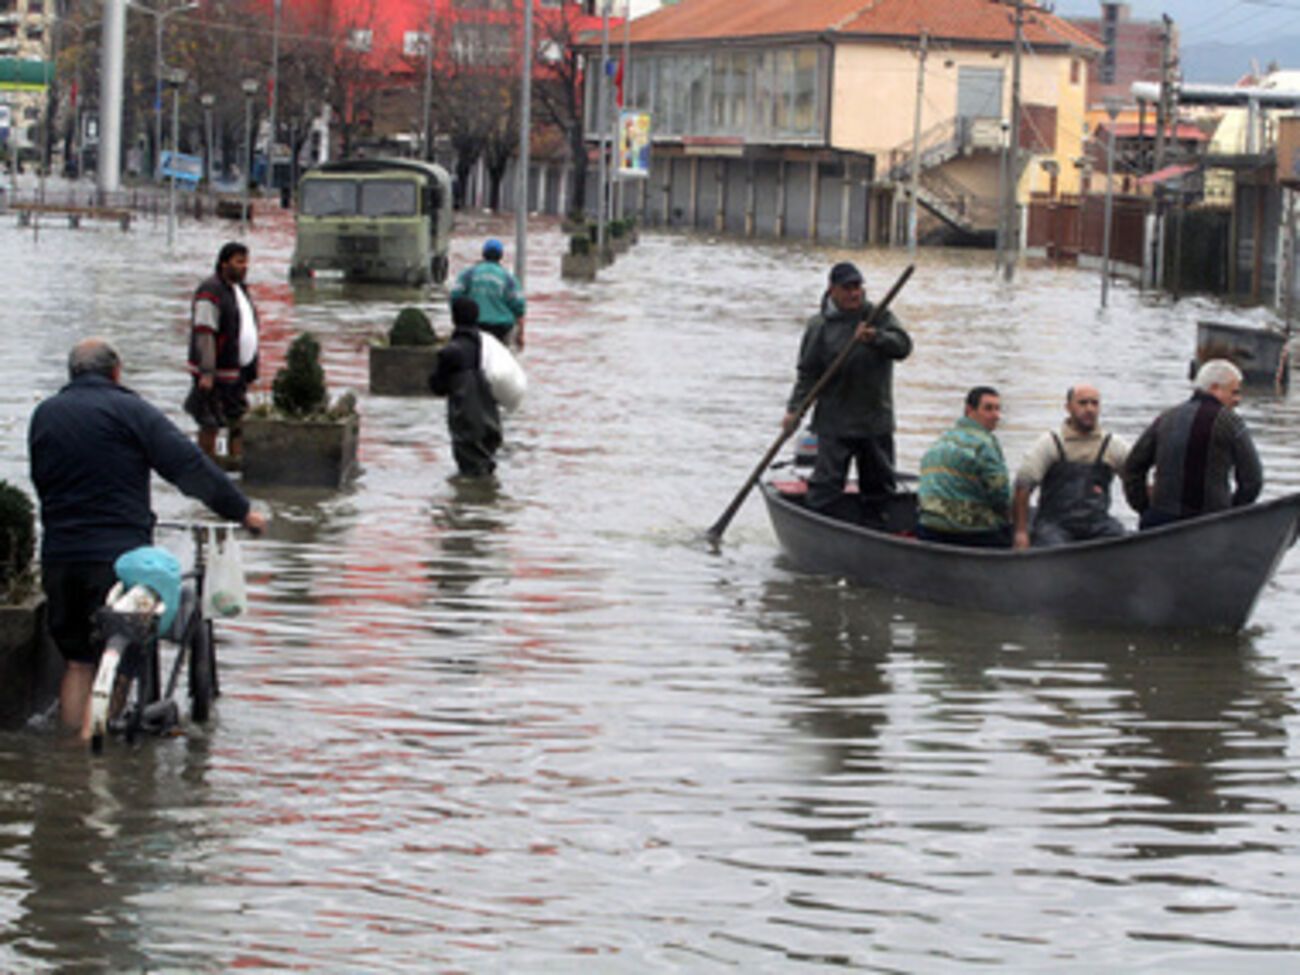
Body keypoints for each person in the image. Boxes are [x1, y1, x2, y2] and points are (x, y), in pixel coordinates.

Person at [28, 338, 267, 738]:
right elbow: (188, 467)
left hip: (60, 556)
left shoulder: (45, 414)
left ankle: (69, 758)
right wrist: (241, 511)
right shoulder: (131, 411)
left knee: (78, 663)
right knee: (122, 660)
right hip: (117, 560)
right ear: (116, 372)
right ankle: (96, 749)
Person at [782, 261, 912, 515]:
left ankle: (876, 527)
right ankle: (820, 527)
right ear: (832, 290)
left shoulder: (879, 316)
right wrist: (794, 410)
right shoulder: (819, 326)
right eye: (848, 288)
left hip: (874, 420)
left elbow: (903, 347)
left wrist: (875, 337)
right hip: (834, 422)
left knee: (880, 488)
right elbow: (808, 374)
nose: (855, 293)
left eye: (858, 287)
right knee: (825, 488)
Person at [1122, 358, 1263, 529]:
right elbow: (1253, 480)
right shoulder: (1230, 423)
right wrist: (1232, 514)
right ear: (1215, 388)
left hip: (1160, 522)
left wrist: (1144, 508)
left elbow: (1133, 467)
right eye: (1234, 392)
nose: (1238, 399)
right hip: (1210, 525)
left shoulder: (1166, 418)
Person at [1011, 384, 1130, 549]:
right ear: (1068, 407)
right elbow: (1023, 485)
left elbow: (1135, 479)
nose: (1089, 409)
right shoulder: (1051, 443)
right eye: (1082, 403)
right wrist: (1021, 532)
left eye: (1094, 403)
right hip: (1054, 525)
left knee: (1123, 541)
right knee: (1053, 547)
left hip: (1098, 524)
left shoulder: (1112, 444)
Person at [184, 241, 260, 466]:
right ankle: (205, 465)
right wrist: (207, 371)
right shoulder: (210, 291)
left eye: (246, 262)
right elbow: (204, 332)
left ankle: (236, 464)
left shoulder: (239, 290)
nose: (244, 266)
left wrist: (251, 368)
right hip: (216, 373)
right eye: (239, 262)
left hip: (237, 371)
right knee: (210, 422)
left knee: (238, 421)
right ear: (224, 263)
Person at [916, 386, 1012, 547]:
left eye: (998, 409)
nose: (996, 416)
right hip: (967, 533)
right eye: (988, 409)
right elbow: (1001, 494)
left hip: (928, 527)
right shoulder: (985, 443)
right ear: (969, 410)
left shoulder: (942, 440)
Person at [429, 297, 503, 478]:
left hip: (465, 417)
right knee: (486, 462)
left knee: (469, 469)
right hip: (490, 416)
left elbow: (438, 386)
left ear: (454, 318)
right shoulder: (489, 347)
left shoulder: (450, 352)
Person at [450, 238, 526, 349]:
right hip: (501, 327)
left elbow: (455, 296)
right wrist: (521, 335)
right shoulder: (508, 278)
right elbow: (519, 307)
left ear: (483, 254)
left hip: (474, 324)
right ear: (501, 256)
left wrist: (457, 322)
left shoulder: (468, 274)